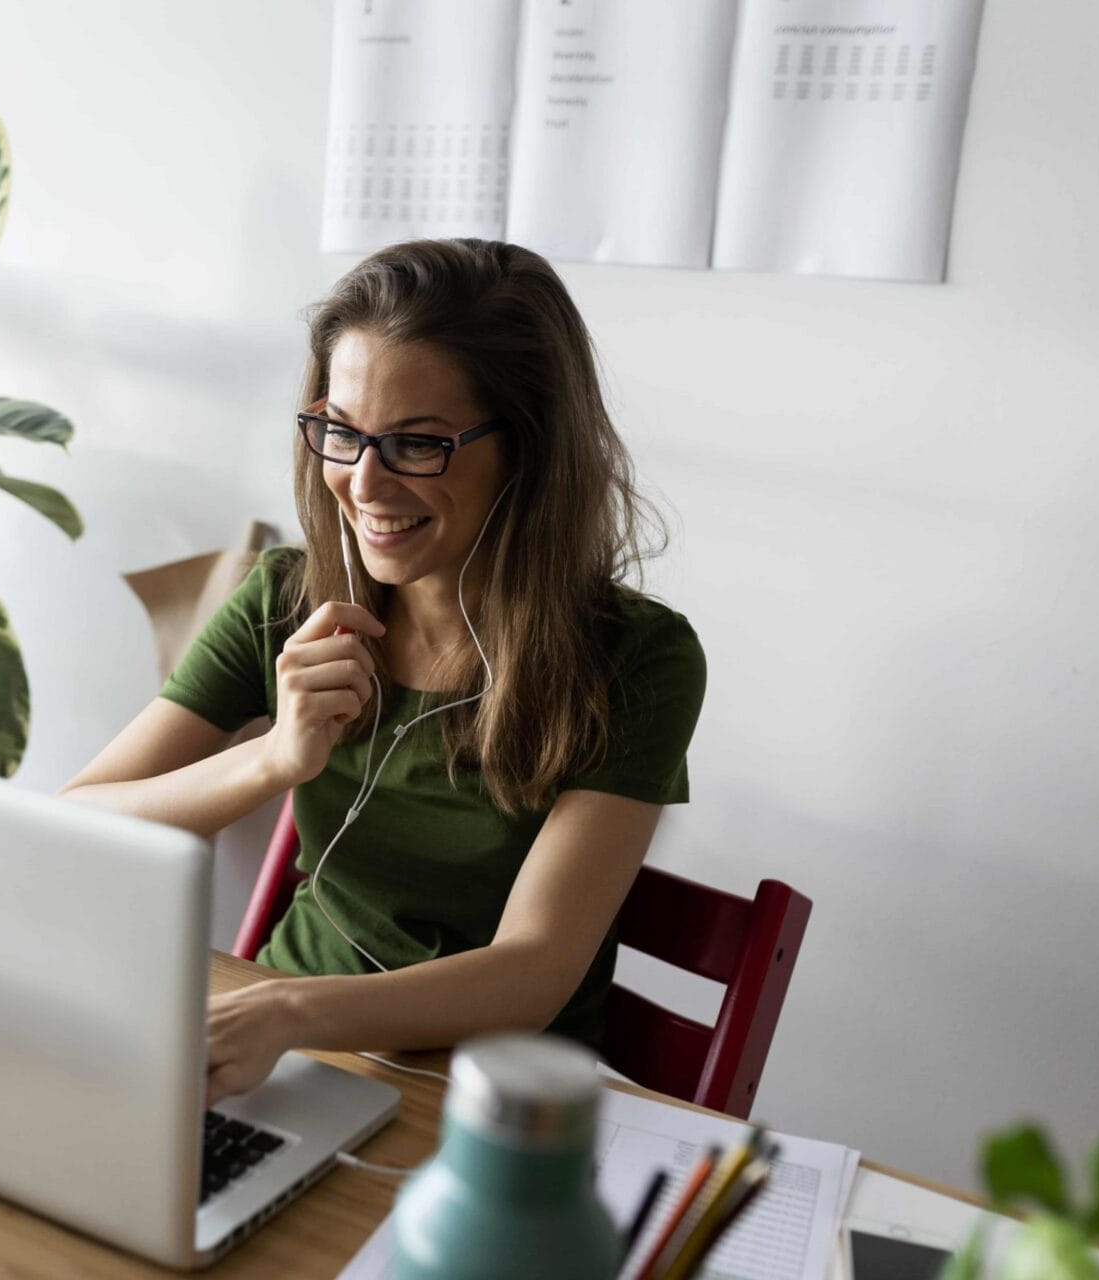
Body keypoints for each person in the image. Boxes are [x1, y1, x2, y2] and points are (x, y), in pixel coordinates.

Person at [60, 239, 706, 1107]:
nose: (362, 482)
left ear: (530, 449)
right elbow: (79, 821)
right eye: (342, 432)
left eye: (416, 444)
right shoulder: (284, 598)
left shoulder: (637, 659)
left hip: (489, 1105)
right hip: (282, 1066)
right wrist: (273, 760)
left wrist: (289, 1009)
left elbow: (533, 971)